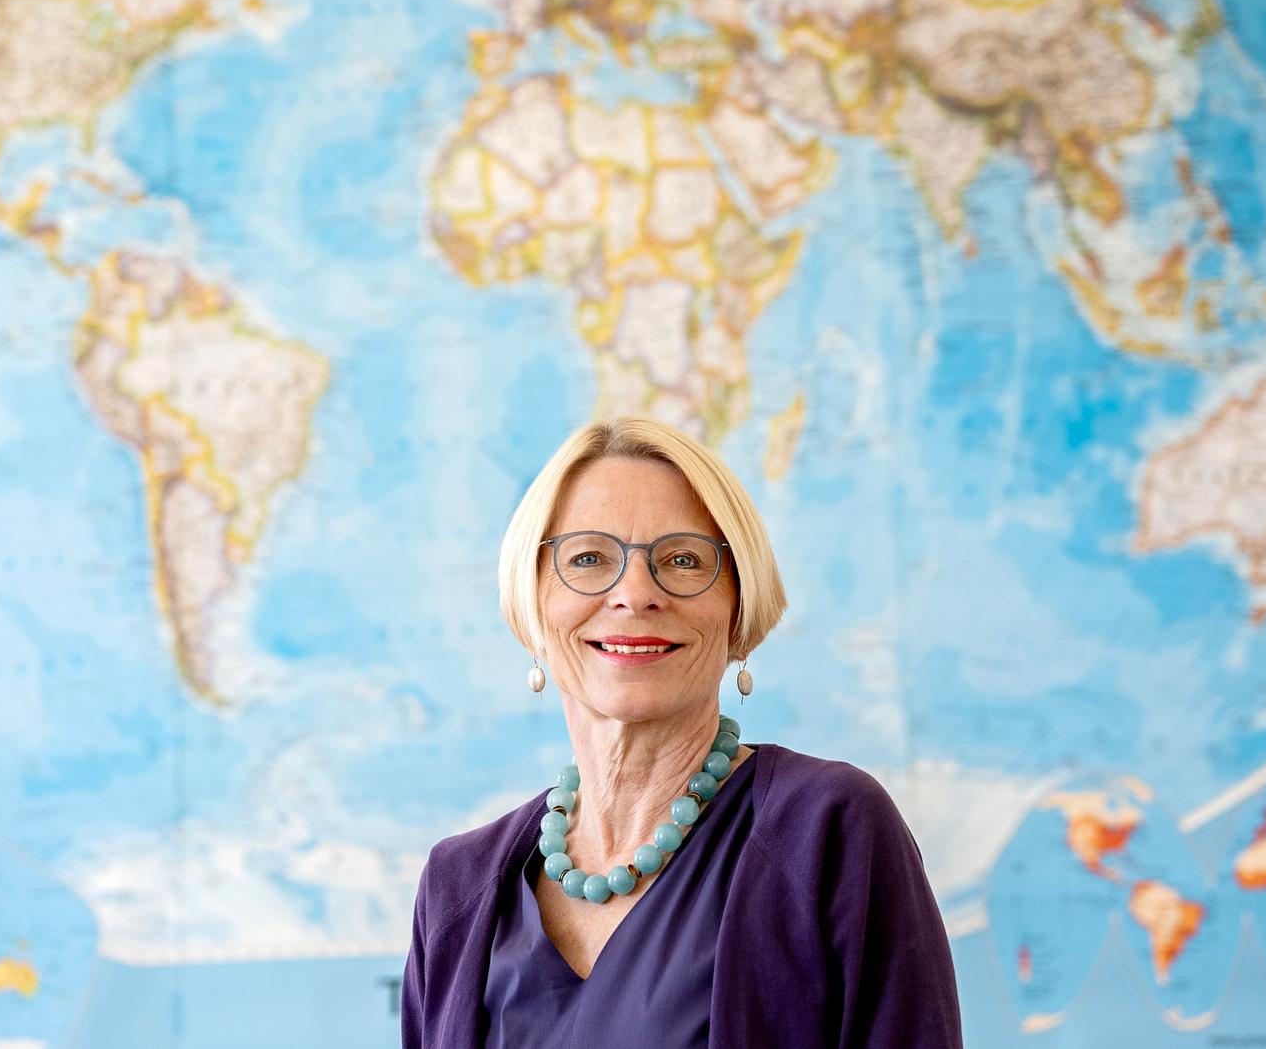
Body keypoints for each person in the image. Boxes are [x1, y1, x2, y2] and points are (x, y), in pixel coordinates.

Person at [400, 415, 963, 1047]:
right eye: (587, 558)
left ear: (738, 608)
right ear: (533, 605)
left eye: (683, 560)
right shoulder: (458, 883)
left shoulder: (829, 829)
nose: (635, 593)